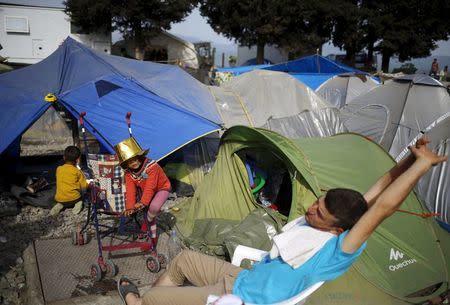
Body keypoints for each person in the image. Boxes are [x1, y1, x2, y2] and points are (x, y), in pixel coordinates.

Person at [117, 138, 447, 305]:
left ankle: (140, 302)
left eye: (319, 213)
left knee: (151, 298)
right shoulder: (343, 214)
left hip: (241, 297)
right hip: (244, 275)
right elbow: (374, 194)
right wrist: (409, 159)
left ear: (336, 229)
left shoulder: (337, 251)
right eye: (318, 200)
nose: (311, 209)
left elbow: (383, 208)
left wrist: (422, 168)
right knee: (184, 260)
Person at [114, 137, 171, 244]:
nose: (134, 163)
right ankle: (152, 239)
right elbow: (130, 190)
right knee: (149, 212)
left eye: (135, 159)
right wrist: (130, 207)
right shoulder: (128, 173)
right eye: (130, 162)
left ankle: (146, 225)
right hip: (145, 191)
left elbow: (151, 186)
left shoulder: (151, 166)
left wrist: (142, 202)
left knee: (153, 208)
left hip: (162, 188)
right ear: (126, 164)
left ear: (139, 156)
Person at [51, 146, 89, 216]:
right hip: (74, 198)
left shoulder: (59, 169)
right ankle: (77, 205)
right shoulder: (77, 171)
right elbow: (84, 185)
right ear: (77, 160)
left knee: (62, 197)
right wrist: (89, 183)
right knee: (80, 199)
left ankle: (60, 204)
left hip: (59, 198)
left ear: (64, 157)